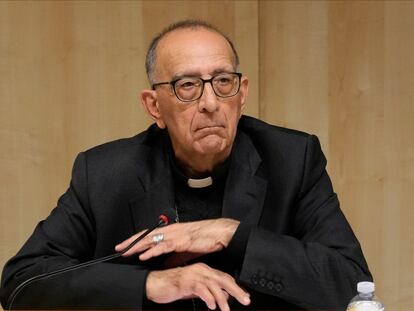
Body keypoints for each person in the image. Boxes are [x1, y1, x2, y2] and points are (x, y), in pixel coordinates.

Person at [0, 20, 372, 310]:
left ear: (242, 95)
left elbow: (352, 287)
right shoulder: (105, 174)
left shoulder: (292, 160)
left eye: (223, 81)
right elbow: (21, 283)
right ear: (154, 106)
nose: (210, 102)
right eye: (188, 86)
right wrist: (153, 285)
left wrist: (232, 233)